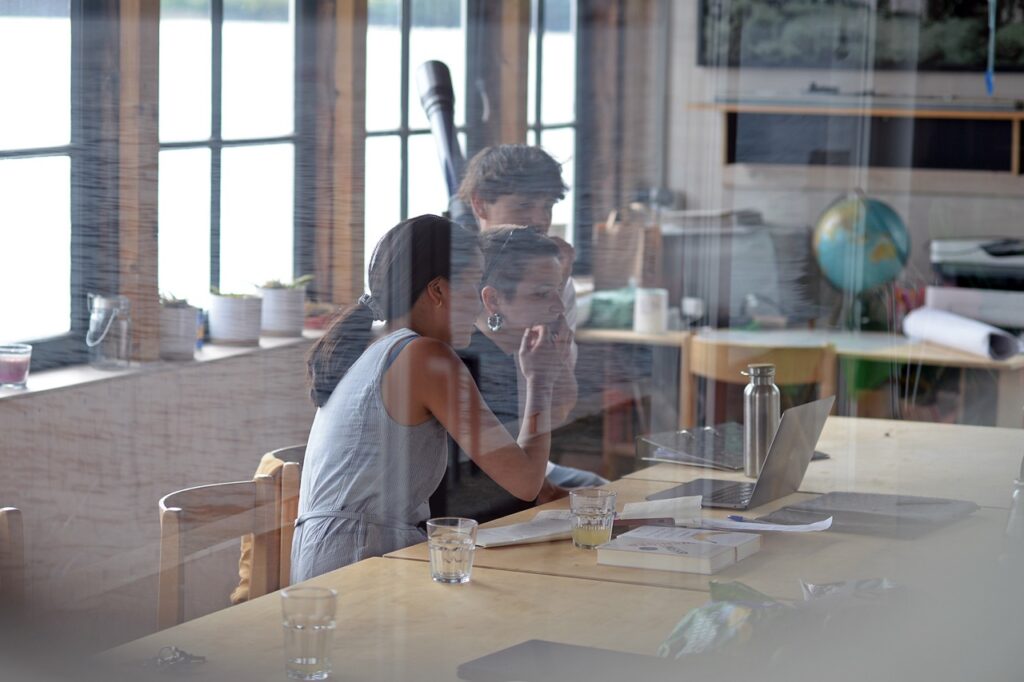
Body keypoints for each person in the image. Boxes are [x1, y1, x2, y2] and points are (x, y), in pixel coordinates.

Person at [291, 214, 569, 582]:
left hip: (331, 556)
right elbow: (525, 481)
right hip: (357, 562)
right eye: (472, 285)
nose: (480, 305)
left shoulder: (375, 345)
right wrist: (541, 379)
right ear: (437, 290)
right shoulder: (426, 357)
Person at [457, 145, 606, 492]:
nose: (540, 220)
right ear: (480, 204)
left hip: (527, 453)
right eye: (524, 205)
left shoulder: (553, 279)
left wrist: (557, 281)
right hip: (478, 471)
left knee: (600, 495)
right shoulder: (458, 288)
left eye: (548, 206)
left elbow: (561, 407)